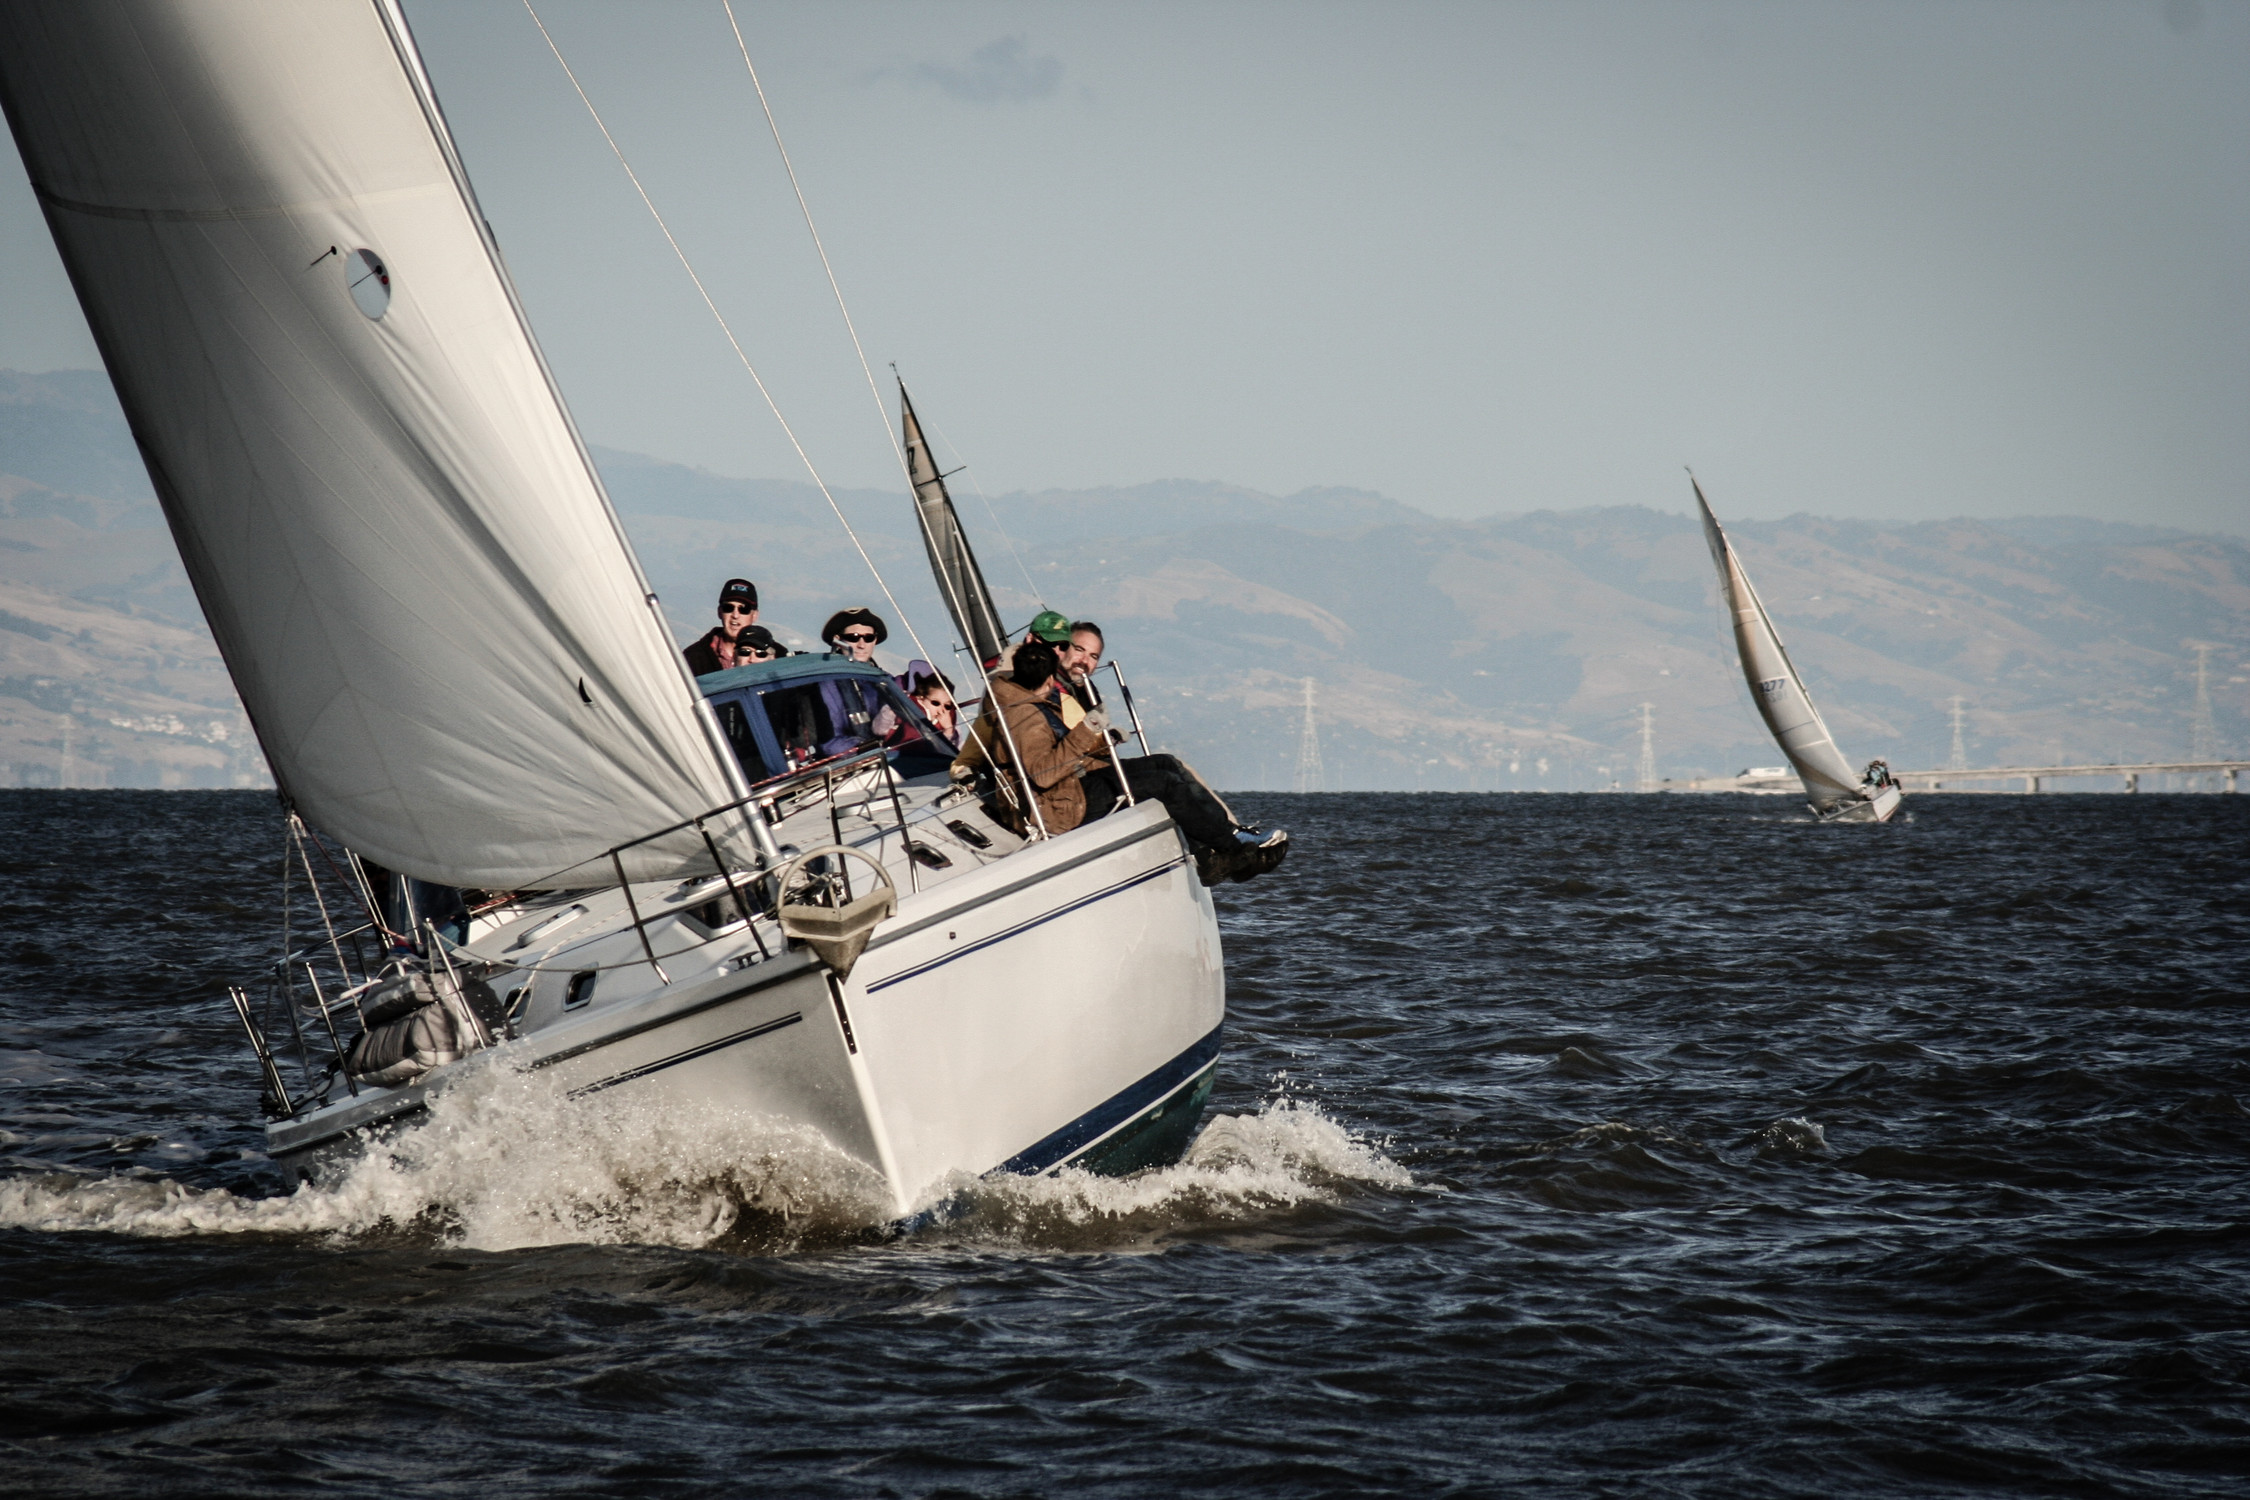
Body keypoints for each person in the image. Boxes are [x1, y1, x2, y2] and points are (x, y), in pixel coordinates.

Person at [960, 640, 1287, 883]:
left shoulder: (1023, 699)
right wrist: (1087, 729)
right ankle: (1233, 851)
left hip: (1071, 786)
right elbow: (1044, 774)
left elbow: (1059, 753)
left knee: (1165, 764)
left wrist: (1102, 739)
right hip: (1060, 806)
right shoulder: (1025, 716)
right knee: (1165, 784)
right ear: (1047, 680)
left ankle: (1220, 845)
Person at [817, 607, 898, 756]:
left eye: (869, 638)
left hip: (896, 758)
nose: (862, 644)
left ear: (875, 640)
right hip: (855, 764)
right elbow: (830, 742)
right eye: (853, 637)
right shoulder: (827, 684)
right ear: (837, 640)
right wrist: (868, 749)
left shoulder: (887, 681)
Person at [683, 578, 759, 675]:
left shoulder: (774, 657)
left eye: (744, 609)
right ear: (719, 612)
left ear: (755, 615)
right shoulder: (692, 658)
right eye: (728, 608)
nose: (735, 615)